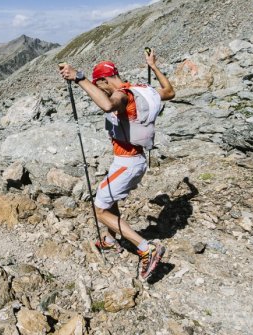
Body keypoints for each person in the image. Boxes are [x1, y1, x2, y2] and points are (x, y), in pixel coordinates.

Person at [59, 49, 175, 280]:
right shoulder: (142, 91)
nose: (100, 89)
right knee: (108, 199)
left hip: (127, 162)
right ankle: (111, 241)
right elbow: (170, 92)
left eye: (99, 85)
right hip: (133, 160)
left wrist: (79, 77)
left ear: (103, 80)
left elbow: (109, 106)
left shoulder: (122, 96)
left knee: (100, 210)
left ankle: (146, 248)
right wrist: (152, 66)